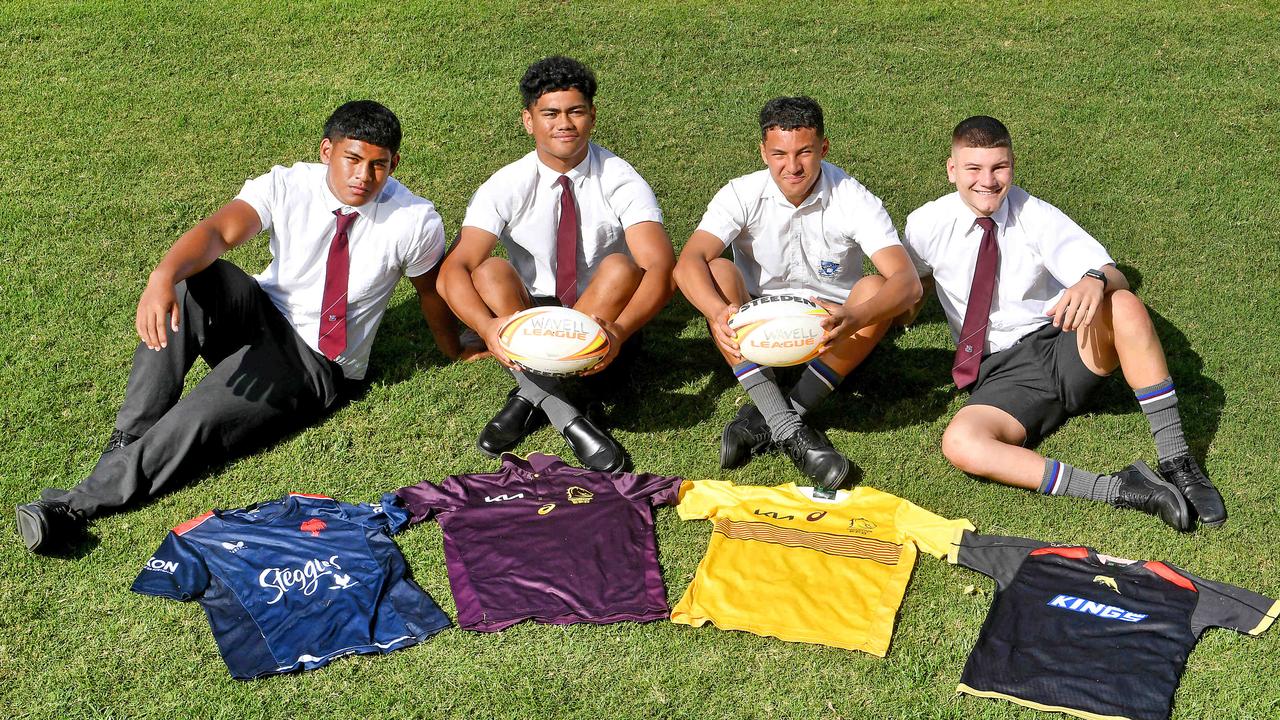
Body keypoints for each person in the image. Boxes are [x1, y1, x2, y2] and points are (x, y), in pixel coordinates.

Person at [16, 100, 471, 554]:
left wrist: (454, 348)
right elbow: (218, 232)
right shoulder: (288, 184)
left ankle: (71, 508)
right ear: (327, 150)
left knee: (198, 420)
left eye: (379, 166)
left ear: (395, 163)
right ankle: (128, 440)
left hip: (315, 363)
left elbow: (430, 293)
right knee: (194, 277)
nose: (364, 177)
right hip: (258, 314)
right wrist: (162, 276)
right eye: (353, 159)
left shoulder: (415, 221)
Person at [901, 115, 1226, 532]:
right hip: (1001, 373)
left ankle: (1178, 460)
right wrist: (889, 316)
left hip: (1065, 342)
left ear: (1013, 164)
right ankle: (1122, 489)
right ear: (951, 170)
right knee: (961, 444)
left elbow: (1113, 274)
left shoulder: (1035, 215)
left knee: (1123, 302)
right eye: (973, 169)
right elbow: (914, 281)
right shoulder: (925, 224)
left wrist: (1094, 279)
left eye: (999, 167)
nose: (988, 180)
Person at [439, 56, 675, 472]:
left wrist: (618, 331)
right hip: (529, 314)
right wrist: (487, 327)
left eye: (575, 111)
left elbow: (660, 267)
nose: (564, 123)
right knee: (488, 270)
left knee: (622, 266)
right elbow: (453, 271)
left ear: (592, 117)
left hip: (603, 317)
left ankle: (528, 396)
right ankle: (570, 417)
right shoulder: (507, 182)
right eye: (550, 113)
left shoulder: (620, 177)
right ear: (529, 120)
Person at [673, 97, 921, 490]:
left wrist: (854, 317)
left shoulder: (854, 198)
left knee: (875, 287)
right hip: (756, 328)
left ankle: (772, 415)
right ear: (763, 152)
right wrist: (717, 312)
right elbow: (688, 263)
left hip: (832, 330)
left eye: (805, 152)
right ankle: (791, 431)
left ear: (823, 147)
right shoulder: (741, 193)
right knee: (717, 271)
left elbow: (908, 283)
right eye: (779, 154)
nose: (792, 166)